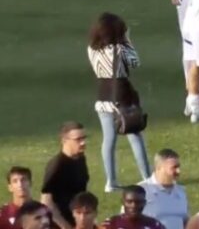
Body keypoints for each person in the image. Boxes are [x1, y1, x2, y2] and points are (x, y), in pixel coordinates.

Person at [86, 13, 151, 190]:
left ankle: (111, 181)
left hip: (103, 97)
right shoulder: (120, 49)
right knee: (135, 136)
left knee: (109, 140)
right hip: (122, 97)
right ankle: (147, 178)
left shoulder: (92, 49)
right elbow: (135, 62)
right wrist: (127, 41)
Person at [40, 122, 89, 229]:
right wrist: (65, 226)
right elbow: (46, 202)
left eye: (84, 138)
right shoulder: (56, 165)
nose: (83, 143)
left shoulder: (80, 159)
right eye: (78, 139)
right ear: (64, 141)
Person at [139, 150, 189, 229]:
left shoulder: (180, 192)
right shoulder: (141, 191)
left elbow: (186, 221)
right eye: (174, 167)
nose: (178, 171)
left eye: (179, 167)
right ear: (159, 168)